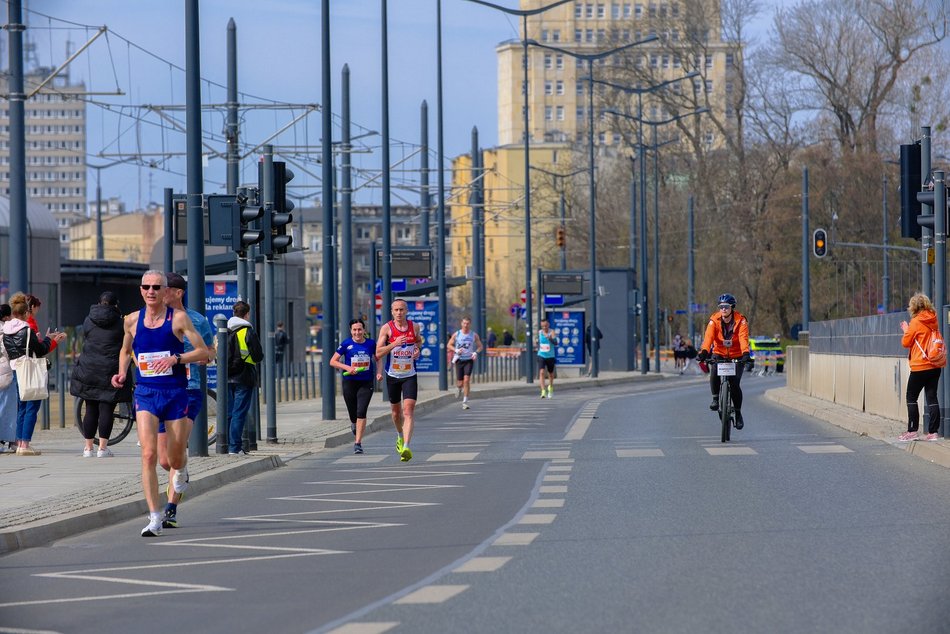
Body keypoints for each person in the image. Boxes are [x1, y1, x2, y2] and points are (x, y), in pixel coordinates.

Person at [111, 270, 209, 537]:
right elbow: (125, 350)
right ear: (141, 290)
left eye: (156, 287)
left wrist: (177, 359)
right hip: (145, 393)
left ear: (166, 291)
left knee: (173, 460)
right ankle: (154, 516)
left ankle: (183, 468)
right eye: (146, 287)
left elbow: (204, 352)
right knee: (149, 455)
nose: (151, 291)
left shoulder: (179, 318)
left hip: (176, 393)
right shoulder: (131, 320)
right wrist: (121, 372)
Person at [159, 272, 215, 528]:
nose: (157, 292)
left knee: (177, 450)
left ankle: (171, 508)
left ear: (177, 292)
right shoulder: (153, 319)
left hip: (189, 390)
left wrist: (200, 357)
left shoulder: (197, 320)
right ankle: (181, 467)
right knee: (164, 459)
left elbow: (211, 351)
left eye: (163, 288)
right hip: (159, 390)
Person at [69, 291, 133, 458]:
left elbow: (87, 337)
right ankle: (102, 448)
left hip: (88, 368)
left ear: (99, 303)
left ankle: (88, 448)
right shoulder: (121, 323)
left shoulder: (88, 320)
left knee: (90, 408)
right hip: (110, 369)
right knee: (106, 408)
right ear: (116, 305)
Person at [2, 292, 63, 455]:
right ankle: (25, 444)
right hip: (30, 369)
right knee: (32, 405)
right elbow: (41, 349)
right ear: (25, 313)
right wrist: (53, 340)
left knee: (21, 406)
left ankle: (20, 442)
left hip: (16, 369)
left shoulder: (6, 330)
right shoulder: (26, 330)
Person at [697, 293, 752, 429]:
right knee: (714, 371)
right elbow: (708, 338)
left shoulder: (741, 321)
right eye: (721, 307)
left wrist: (745, 353)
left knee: (734, 385)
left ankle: (738, 414)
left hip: (737, 354)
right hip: (719, 353)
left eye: (726, 307)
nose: (723, 309)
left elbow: (743, 338)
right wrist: (704, 352)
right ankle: (715, 398)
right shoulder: (713, 320)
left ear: (732, 307)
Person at [376, 298, 421, 462]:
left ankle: (407, 447)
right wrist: (393, 343)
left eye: (402, 310)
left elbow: (419, 341)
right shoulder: (386, 328)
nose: (399, 313)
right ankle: (400, 436)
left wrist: (417, 349)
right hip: (393, 375)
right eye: (396, 310)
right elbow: (378, 353)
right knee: (396, 414)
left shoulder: (414, 327)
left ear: (406, 311)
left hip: (410, 375)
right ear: (392, 312)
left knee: (408, 411)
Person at [899, 293, 944, 442]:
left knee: (911, 397)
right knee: (932, 396)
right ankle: (933, 432)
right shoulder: (933, 319)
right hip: (935, 364)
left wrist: (906, 329)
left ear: (913, 307)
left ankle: (912, 430)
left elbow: (906, 342)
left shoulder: (915, 322)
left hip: (920, 366)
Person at [330, 318, 376, 454]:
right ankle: (354, 424)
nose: (357, 332)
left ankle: (358, 443)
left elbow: (378, 358)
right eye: (355, 330)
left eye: (360, 329)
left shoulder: (371, 344)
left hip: (366, 382)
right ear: (351, 331)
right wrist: (347, 368)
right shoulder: (346, 344)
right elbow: (332, 361)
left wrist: (379, 373)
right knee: (353, 412)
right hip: (350, 382)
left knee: (361, 411)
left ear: (364, 330)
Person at [227, 300, 263, 456]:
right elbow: (257, 355)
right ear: (247, 314)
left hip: (228, 376)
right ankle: (234, 448)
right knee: (239, 412)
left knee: (230, 412)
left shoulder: (226, 329)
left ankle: (228, 445)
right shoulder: (247, 331)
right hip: (244, 375)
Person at [447, 317, 483, 409]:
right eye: (464, 323)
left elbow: (480, 346)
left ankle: (465, 401)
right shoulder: (457, 334)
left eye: (467, 323)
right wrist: (456, 349)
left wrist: (475, 352)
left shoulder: (473, 335)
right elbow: (449, 345)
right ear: (461, 324)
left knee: (466, 380)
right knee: (460, 383)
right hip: (459, 359)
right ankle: (459, 388)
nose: (466, 325)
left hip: (469, 360)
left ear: (470, 324)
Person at [0, 304, 17, 453]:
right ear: (6, 317)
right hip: (5, 371)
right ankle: (10, 440)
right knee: (8, 407)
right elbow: (8, 351)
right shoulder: (6, 330)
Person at [537, 318, 558, 398]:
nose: (544, 328)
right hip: (541, 355)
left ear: (548, 325)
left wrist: (549, 338)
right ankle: (543, 391)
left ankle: (550, 387)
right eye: (542, 326)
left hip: (550, 356)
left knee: (551, 374)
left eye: (545, 326)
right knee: (542, 372)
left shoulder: (551, 332)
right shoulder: (539, 332)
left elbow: (556, 343)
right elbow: (539, 342)